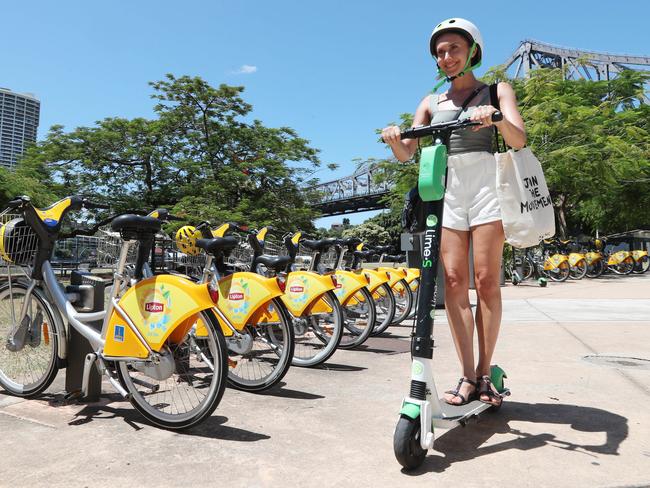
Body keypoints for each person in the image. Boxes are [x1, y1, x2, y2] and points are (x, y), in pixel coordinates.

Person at [381, 18, 526, 407]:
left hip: (485, 185)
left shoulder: (497, 90)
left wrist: (495, 116)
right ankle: (467, 375)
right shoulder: (431, 103)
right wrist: (396, 138)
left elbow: (518, 138)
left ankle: (485, 373)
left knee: (486, 279)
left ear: (472, 51)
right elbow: (408, 154)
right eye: (440, 52)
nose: (446, 57)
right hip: (446, 189)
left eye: (454, 49)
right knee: (454, 280)